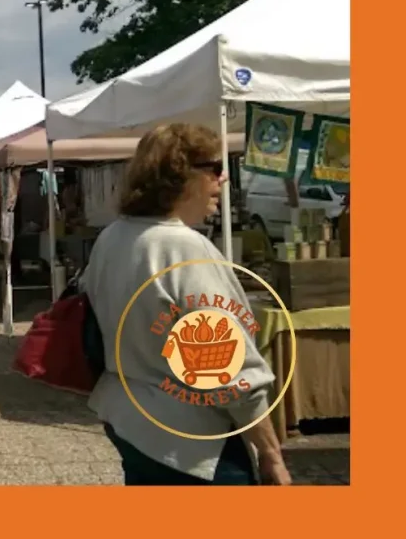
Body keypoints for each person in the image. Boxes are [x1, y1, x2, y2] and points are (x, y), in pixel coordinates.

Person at [80, 123, 289, 486]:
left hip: (130, 419)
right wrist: (270, 454)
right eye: (215, 169)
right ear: (182, 176)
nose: (222, 180)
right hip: (190, 442)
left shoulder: (112, 237)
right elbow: (227, 368)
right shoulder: (184, 249)